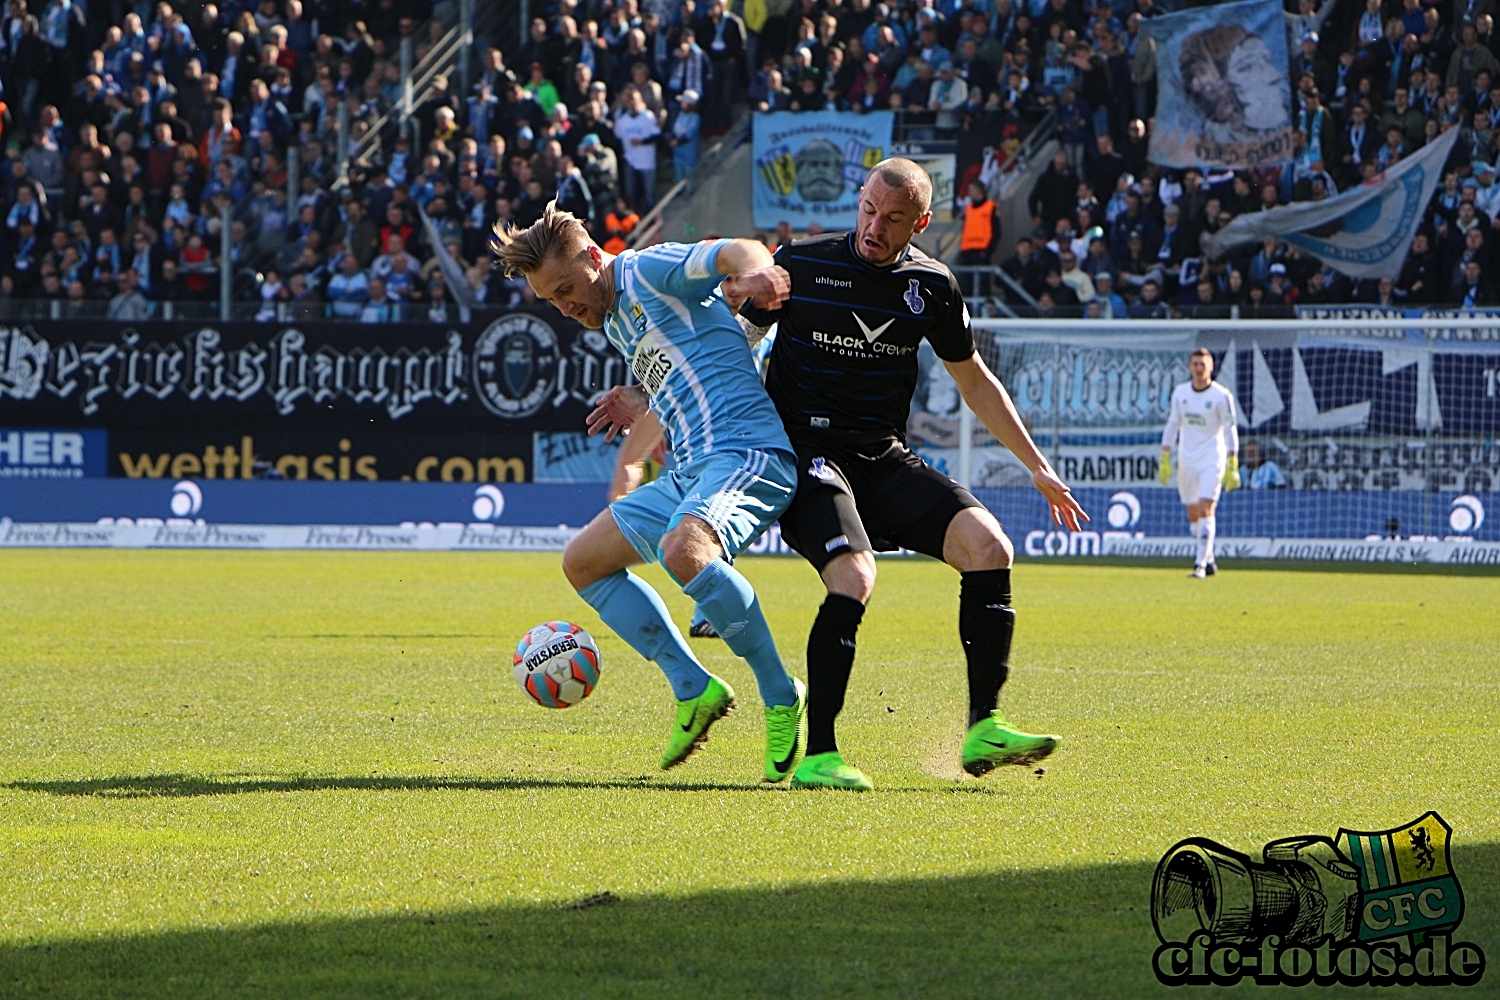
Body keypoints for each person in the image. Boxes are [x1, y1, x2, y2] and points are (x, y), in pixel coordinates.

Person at [599, 159, 1086, 790]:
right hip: (806, 457)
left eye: (893, 220)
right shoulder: (802, 265)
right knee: (855, 576)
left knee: (990, 548)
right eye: (868, 211)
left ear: (922, 223)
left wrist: (1040, 469)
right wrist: (643, 398)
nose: (874, 228)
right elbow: (721, 343)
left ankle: (984, 725)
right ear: (859, 200)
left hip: (883, 458)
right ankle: (822, 755)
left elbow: (975, 380)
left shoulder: (933, 288)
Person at [492, 205, 808, 781]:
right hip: (692, 470)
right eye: (552, 301)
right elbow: (701, 357)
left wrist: (758, 269)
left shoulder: (646, 270)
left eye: (566, 289)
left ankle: (781, 693)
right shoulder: (614, 317)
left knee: (684, 551)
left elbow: (731, 251)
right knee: (583, 563)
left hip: (746, 454)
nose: (566, 307)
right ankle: (694, 688)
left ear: (593, 258)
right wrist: (640, 398)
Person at [1159, 347, 1241, 579]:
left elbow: (1229, 428)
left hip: (1212, 458)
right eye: (1195, 364)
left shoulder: (1221, 396)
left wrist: (1233, 461)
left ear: (1211, 367)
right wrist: (1165, 455)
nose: (1198, 368)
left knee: (1206, 507)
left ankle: (1200, 564)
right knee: (1193, 513)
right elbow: (1172, 425)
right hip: (1186, 459)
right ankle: (1210, 558)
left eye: (1202, 364)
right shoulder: (1180, 393)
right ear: (1189, 367)